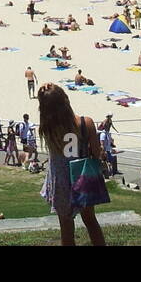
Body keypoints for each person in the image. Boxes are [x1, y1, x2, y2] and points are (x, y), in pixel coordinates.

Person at [36, 82, 106, 247]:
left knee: (66, 229)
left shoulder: (47, 127)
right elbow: (96, 153)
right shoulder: (85, 123)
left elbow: (46, 107)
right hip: (82, 178)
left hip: (60, 180)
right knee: (91, 222)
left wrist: (44, 94)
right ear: (66, 100)